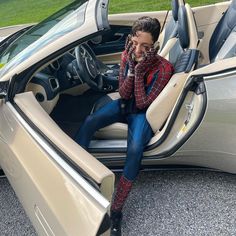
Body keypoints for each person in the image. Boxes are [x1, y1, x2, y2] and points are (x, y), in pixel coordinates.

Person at [75, 16, 174, 235]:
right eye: (136, 43)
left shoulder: (164, 69)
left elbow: (141, 103)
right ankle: (76, 173)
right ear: (130, 39)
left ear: (154, 47)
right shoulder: (127, 55)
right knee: (90, 121)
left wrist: (139, 71)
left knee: (136, 149)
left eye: (145, 47)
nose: (138, 50)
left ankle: (117, 210)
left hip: (142, 114)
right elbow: (123, 93)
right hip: (124, 104)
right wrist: (131, 65)